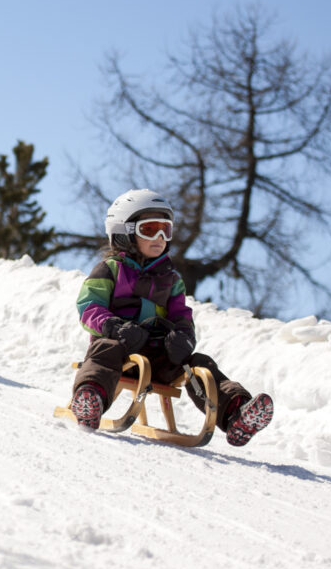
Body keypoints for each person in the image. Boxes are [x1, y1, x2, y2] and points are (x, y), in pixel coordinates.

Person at [67, 189, 274, 446]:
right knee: (104, 349)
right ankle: (90, 398)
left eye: (166, 229)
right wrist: (113, 326)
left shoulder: (172, 280)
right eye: (150, 229)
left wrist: (184, 337)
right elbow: (89, 307)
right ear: (125, 232)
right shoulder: (110, 270)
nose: (160, 237)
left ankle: (237, 413)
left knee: (200, 365)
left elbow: (181, 315)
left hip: (160, 355)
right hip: (121, 348)